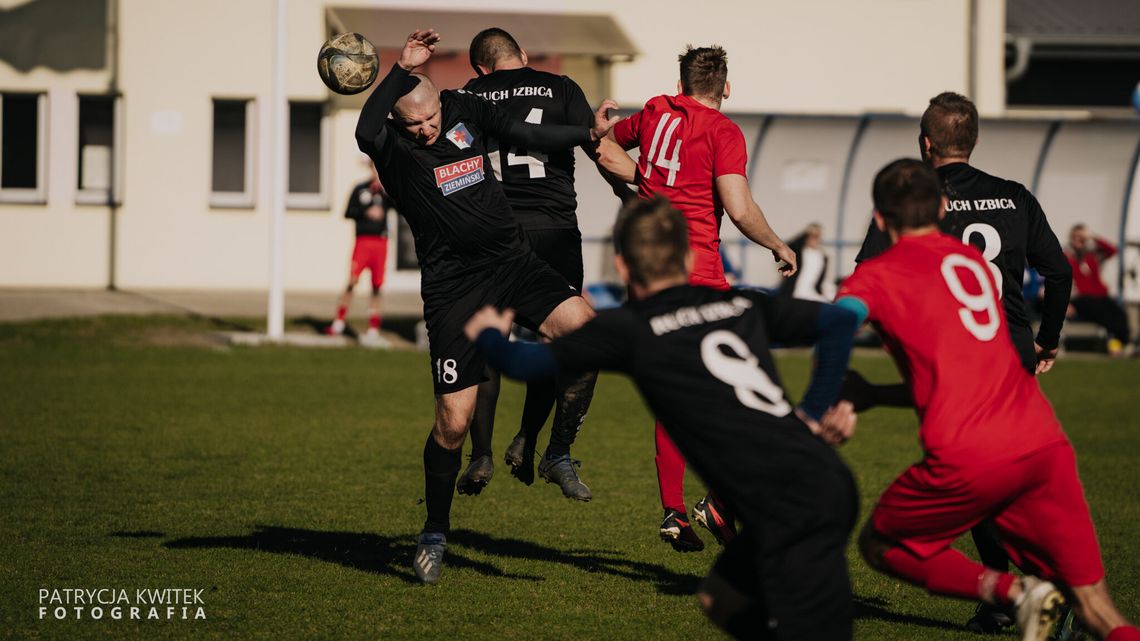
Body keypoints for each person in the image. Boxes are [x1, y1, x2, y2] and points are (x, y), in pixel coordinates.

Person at [466, 197, 860, 641]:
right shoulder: (741, 305)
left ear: (622, 266)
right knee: (720, 598)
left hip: (787, 501)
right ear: (690, 257)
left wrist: (487, 335)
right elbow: (841, 323)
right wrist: (812, 410)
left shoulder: (631, 327)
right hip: (818, 482)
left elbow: (527, 365)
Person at [833, 158, 1140, 641]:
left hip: (971, 451)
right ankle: (1039, 600)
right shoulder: (973, 265)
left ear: (878, 218)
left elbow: (836, 323)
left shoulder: (881, 273)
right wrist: (873, 394)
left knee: (881, 542)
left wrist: (825, 403)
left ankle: (1012, 594)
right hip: (1042, 442)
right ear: (940, 207)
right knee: (1098, 609)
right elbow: (968, 375)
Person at [354, 28, 620, 584]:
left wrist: (585, 130)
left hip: (513, 264)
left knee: (587, 334)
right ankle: (434, 531)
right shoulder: (391, 145)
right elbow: (365, 124)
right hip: (454, 288)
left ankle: (556, 453)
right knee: (452, 422)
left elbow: (522, 128)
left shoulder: (461, 107)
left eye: (430, 121)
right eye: (415, 125)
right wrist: (399, 70)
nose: (426, 131)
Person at [853, 91, 1072, 633]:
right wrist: (1046, 339)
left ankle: (1017, 595)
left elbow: (866, 275)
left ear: (925, 144)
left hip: (956, 355)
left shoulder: (915, 202)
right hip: (1013, 349)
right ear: (972, 142)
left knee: (976, 481)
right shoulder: (1014, 196)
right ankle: (1030, 594)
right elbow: (1059, 273)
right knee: (1005, 477)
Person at [598, 45, 798, 552]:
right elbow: (737, 205)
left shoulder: (654, 111)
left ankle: (674, 510)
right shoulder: (723, 131)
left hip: (649, 275)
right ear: (725, 87)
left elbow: (600, 146)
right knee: (749, 391)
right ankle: (717, 503)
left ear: (682, 81)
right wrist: (777, 243)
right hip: (698, 275)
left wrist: (636, 188)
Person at [453, 27, 635, 501]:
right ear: (524, 55)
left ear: (481, 67)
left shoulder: (473, 93)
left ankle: (481, 455)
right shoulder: (560, 86)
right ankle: (533, 439)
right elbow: (600, 150)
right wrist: (627, 192)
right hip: (555, 230)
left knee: (495, 334)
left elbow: (453, 153)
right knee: (559, 338)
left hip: (496, 235)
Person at [327, 162, 392, 345]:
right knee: (352, 280)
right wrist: (366, 212)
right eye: (374, 169)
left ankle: (373, 328)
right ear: (370, 169)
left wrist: (386, 190)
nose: (376, 173)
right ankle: (338, 322)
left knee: (377, 286)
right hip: (363, 242)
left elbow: (400, 207)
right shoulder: (360, 189)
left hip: (381, 242)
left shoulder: (386, 191)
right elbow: (348, 212)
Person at [1066, 224, 1131, 356]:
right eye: (1076, 238)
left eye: (1081, 238)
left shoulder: (1092, 257)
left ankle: (1122, 343)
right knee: (1103, 313)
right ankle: (1115, 343)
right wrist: (1067, 303)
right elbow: (1061, 282)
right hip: (1082, 299)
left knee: (1120, 314)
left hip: (1100, 297)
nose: (1079, 242)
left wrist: (1092, 236)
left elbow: (1112, 250)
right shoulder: (1067, 257)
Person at [779, 223, 835, 302]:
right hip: (794, 293)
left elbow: (821, 280)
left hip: (812, 294)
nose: (814, 239)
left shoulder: (823, 257)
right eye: (812, 236)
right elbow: (788, 246)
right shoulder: (797, 252)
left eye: (817, 236)